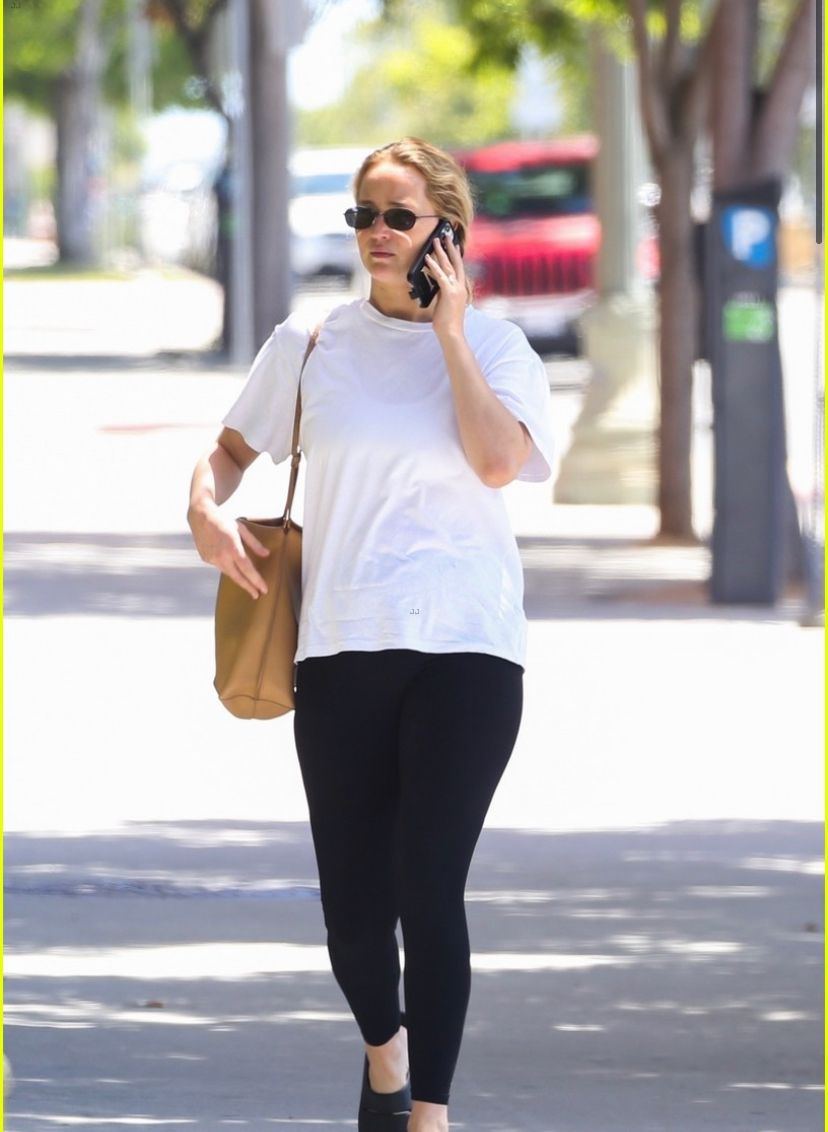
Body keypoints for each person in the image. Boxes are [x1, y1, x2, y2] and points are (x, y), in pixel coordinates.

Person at [188, 138, 554, 1132]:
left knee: (428, 886)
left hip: (469, 649)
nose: (377, 234)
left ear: (447, 230)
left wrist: (451, 334)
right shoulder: (310, 344)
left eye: (399, 216)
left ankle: (429, 1115)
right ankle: (383, 1052)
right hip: (341, 645)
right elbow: (229, 453)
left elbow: (496, 463)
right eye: (364, 216)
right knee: (353, 910)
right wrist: (204, 508)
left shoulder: (500, 351)